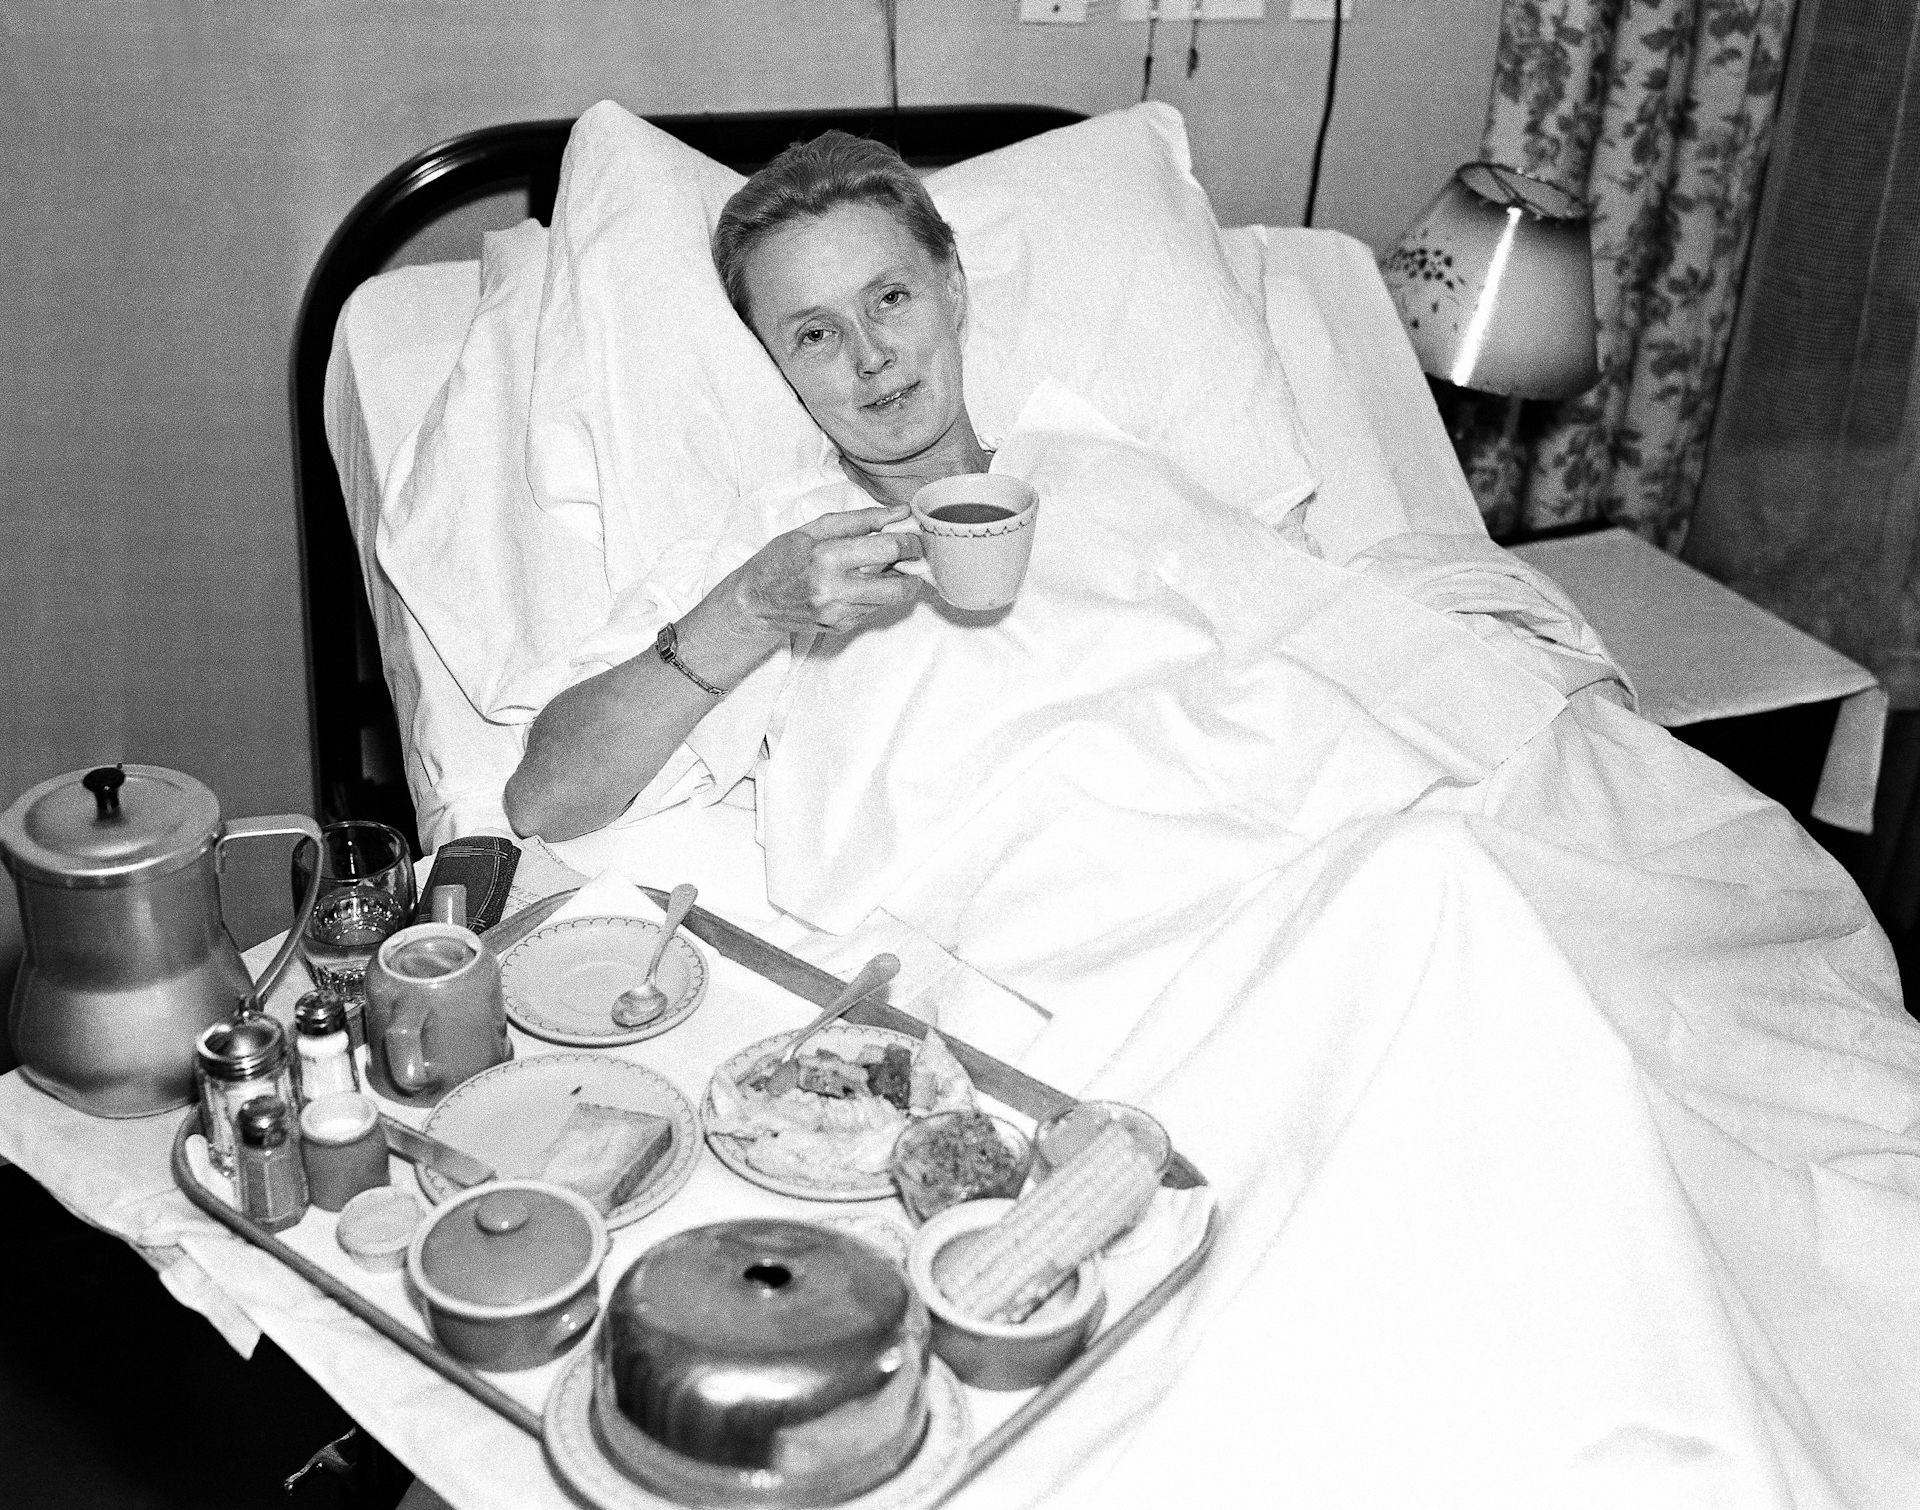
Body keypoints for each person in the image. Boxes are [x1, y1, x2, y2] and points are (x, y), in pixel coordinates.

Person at [504, 133, 985, 840]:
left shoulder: (1101, 467)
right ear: (773, 366)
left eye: (889, 297)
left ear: (951, 287)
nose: (872, 356)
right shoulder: (788, 551)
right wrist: (753, 610)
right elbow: (545, 800)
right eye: (817, 335)